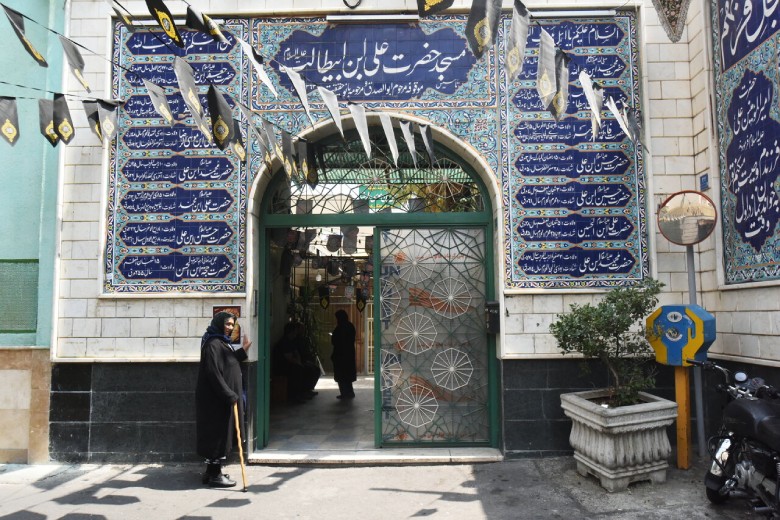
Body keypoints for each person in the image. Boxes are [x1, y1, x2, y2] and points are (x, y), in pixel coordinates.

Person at [195, 311, 251, 488]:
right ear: (219, 323)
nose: (230, 328)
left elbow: (228, 362)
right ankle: (215, 476)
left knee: (219, 435)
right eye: (227, 324)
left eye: (232, 325)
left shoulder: (220, 342)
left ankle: (211, 473)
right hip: (216, 401)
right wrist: (229, 394)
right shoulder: (212, 344)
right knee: (216, 436)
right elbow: (213, 373)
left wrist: (244, 350)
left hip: (221, 400)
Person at [273, 322, 319, 403]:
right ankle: (296, 395)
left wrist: (300, 362)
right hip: (283, 366)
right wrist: (299, 364)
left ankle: (306, 390)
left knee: (314, 369)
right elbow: (289, 358)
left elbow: (296, 353)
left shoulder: (292, 341)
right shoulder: (285, 342)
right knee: (299, 370)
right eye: (295, 330)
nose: (297, 332)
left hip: (292, 363)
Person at [330, 310, 356, 399]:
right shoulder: (350, 326)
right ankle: (350, 392)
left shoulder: (340, 327)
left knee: (341, 376)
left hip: (340, 356)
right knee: (347, 376)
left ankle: (344, 393)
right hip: (348, 355)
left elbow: (335, 341)